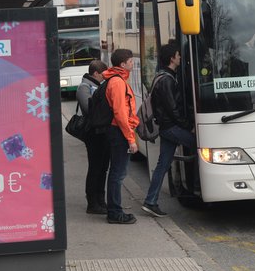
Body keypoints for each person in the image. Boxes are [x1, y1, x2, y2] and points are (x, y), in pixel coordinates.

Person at [142, 43, 196, 218]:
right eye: (178, 55)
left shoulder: (165, 76)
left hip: (167, 127)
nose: (180, 58)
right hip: (171, 128)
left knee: (163, 165)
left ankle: (150, 202)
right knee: (201, 147)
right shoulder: (166, 80)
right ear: (172, 58)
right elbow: (173, 110)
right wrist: (188, 126)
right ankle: (197, 186)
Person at [102, 48, 139, 224]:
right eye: (131, 61)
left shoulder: (118, 79)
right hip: (119, 132)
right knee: (118, 173)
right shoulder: (117, 82)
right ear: (123, 64)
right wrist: (130, 139)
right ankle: (115, 212)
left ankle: (114, 210)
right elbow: (120, 113)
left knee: (117, 172)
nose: (133, 63)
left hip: (118, 131)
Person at [76, 59, 109, 215]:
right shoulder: (84, 87)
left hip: (102, 132)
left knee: (103, 168)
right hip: (92, 133)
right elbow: (89, 109)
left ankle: (101, 200)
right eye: (103, 74)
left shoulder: (98, 86)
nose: (105, 76)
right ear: (96, 73)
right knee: (95, 168)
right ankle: (92, 202)